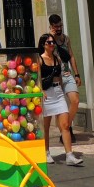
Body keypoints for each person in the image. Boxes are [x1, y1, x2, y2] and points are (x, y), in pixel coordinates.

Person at [38, 33, 83, 166]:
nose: (52, 44)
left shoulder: (57, 58)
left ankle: (69, 155)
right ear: (43, 45)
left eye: (52, 42)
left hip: (58, 92)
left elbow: (61, 74)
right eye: (49, 42)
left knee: (65, 125)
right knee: (45, 126)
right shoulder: (40, 59)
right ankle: (46, 152)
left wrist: (68, 77)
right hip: (46, 93)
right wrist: (40, 90)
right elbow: (35, 77)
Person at [48, 14, 81, 141]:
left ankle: (66, 126)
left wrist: (76, 74)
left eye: (60, 26)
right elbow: (45, 54)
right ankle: (65, 130)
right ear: (51, 26)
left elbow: (71, 56)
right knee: (59, 107)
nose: (59, 28)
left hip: (67, 74)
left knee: (75, 100)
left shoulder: (66, 39)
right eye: (56, 27)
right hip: (55, 76)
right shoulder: (48, 39)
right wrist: (51, 37)